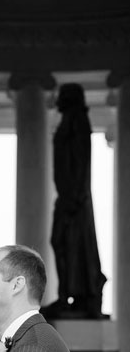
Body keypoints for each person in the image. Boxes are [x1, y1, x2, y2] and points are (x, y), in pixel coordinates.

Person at [44, 82, 107, 319]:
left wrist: (76, 195)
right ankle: (67, 295)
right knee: (63, 244)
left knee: (73, 246)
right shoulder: (69, 120)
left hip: (74, 199)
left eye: (62, 96)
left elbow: (82, 160)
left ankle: (77, 295)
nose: (58, 99)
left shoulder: (77, 120)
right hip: (67, 197)